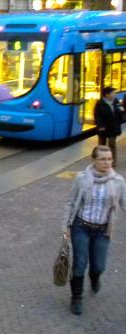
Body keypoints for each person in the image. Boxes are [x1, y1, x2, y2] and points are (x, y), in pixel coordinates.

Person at [62, 145, 126, 315]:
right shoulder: (81, 178)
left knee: (99, 266)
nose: (107, 162)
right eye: (103, 159)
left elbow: (124, 204)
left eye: (109, 159)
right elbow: (70, 202)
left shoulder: (118, 181)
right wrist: (65, 226)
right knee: (79, 264)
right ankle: (76, 298)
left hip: (103, 231)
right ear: (94, 160)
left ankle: (95, 276)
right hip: (81, 226)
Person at [94, 86, 125, 166]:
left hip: (113, 127)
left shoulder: (116, 101)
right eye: (113, 93)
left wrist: (121, 114)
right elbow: (97, 115)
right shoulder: (100, 103)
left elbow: (120, 112)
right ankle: (100, 160)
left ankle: (112, 161)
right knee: (101, 146)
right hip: (103, 127)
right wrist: (100, 125)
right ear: (107, 95)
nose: (115, 94)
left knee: (112, 144)